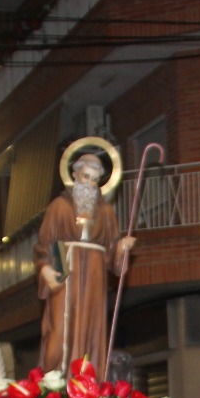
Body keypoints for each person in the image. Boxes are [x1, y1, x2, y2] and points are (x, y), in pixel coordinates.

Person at [35, 147, 135, 373]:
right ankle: (56, 377)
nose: (90, 183)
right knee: (60, 328)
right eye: (86, 177)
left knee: (91, 327)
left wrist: (121, 248)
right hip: (65, 265)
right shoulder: (59, 206)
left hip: (94, 275)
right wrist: (46, 268)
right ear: (74, 175)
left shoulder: (106, 211)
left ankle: (88, 378)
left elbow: (111, 250)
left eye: (94, 179)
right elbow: (45, 245)